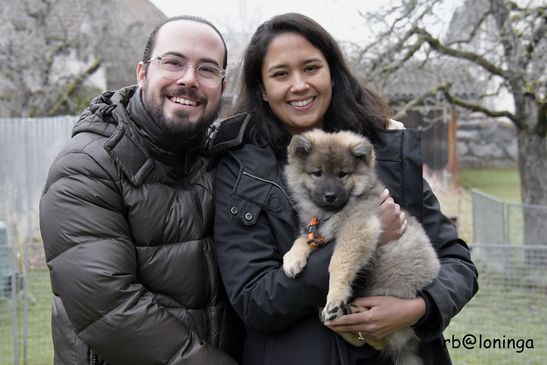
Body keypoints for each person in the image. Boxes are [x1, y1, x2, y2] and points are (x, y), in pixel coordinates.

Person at [211, 13, 478, 365]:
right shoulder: (241, 169)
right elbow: (255, 301)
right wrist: (363, 239)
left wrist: (419, 308)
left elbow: (457, 262)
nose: (299, 85)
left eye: (311, 68)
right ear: (262, 88)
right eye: (280, 74)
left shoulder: (380, 152)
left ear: (332, 75)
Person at [40, 16, 242, 365]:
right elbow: (110, 308)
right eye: (173, 62)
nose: (189, 79)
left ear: (221, 87)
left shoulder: (221, 159)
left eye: (207, 69)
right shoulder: (87, 166)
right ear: (142, 73)